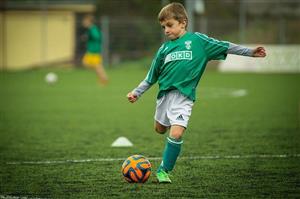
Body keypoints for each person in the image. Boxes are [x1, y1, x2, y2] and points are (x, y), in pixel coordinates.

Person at [127, 2, 266, 183]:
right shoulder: (163, 49)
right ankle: (169, 128)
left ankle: (164, 170)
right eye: (163, 27)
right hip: (164, 96)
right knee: (159, 129)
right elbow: (151, 76)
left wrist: (250, 52)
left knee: (176, 134)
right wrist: (136, 92)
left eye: (169, 25)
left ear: (183, 22)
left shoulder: (198, 41)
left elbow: (225, 46)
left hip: (184, 97)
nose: (166, 30)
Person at [82, 14, 108, 85]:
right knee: (90, 64)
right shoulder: (91, 29)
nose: (84, 22)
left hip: (93, 51)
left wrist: (88, 37)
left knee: (95, 65)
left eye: (85, 21)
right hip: (91, 50)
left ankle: (104, 78)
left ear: (89, 21)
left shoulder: (92, 29)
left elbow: (97, 36)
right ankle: (103, 78)